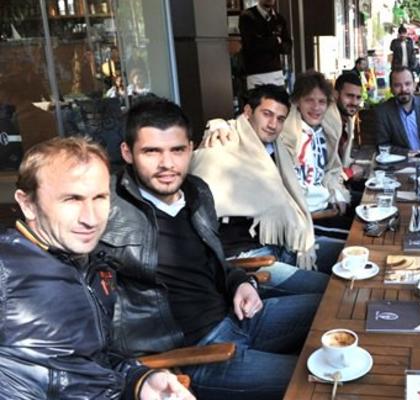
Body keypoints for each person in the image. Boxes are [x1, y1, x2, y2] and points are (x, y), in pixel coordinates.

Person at [97, 99, 321, 400]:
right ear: (127, 152)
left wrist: (240, 282)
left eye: (177, 150)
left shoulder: (197, 191)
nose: (167, 164)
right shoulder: (106, 210)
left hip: (239, 317)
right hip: (198, 354)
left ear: (191, 148)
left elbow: (215, 261)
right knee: (322, 380)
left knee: (333, 306)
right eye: (152, 151)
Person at [1, 136, 191, 400]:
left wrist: (142, 380)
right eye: (72, 199)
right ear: (28, 204)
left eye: (100, 197)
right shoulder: (6, 266)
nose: (90, 218)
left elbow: (99, 360)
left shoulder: (96, 267)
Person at [190, 85, 329, 290]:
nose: (273, 124)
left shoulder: (277, 149)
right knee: (331, 290)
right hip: (248, 261)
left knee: (348, 253)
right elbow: (197, 218)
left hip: (285, 245)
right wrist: (217, 124)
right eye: (267, 114)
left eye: (280, 119)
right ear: (248, 112)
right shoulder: (221, 146)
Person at [280, 70, 351, 268]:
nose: (316, 107)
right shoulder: (286, 134)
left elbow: (331, 170)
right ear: (297, 102)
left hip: (326, 208)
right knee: (358, 244)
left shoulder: (324, 131)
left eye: (321, 101)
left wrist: (336, 192)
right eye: (309, 100)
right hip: (309, 219)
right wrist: (219, 125)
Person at [239, 0, 292, 89]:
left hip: (276, 73)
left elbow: (288, 48)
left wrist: (264, 41)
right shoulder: (248, 16)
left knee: (280, 97)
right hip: (256, 74)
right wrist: (276, 41)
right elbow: (252, 45)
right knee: (259, 98)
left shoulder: (279, 19)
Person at [324, 72, 365, 184]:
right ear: (335, 94)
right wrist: (350, 173)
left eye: (358, 97)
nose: (354, 102)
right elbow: (327, 172)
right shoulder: (328, 121)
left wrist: (351, 167)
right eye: (349, 96)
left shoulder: (346, 120)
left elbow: (342, 162)